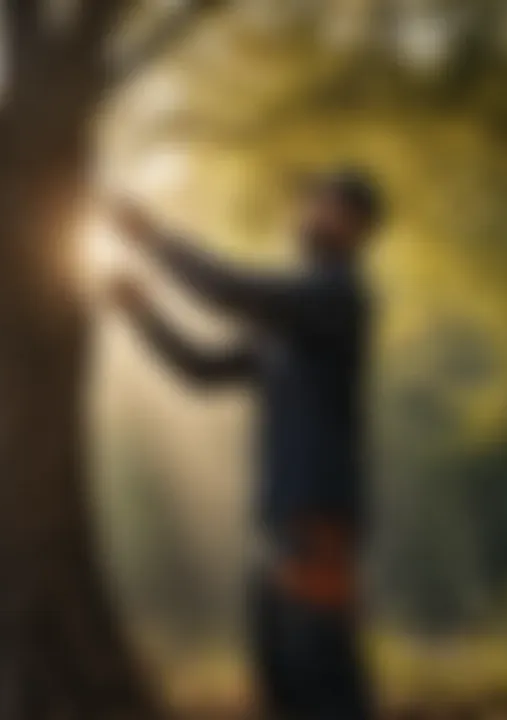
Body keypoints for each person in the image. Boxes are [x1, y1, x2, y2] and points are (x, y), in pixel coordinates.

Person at [110, 169, 382, 720]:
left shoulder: (335, 297)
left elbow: (229, 290)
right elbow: (203, 371)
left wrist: (152, 237)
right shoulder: (287, 322)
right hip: (279, 522)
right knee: (281, 679)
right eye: (310, 201)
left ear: (356, 226)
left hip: (318, 523)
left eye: (326, 205)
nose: (310, 212)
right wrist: (142, 312)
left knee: (323, 678)